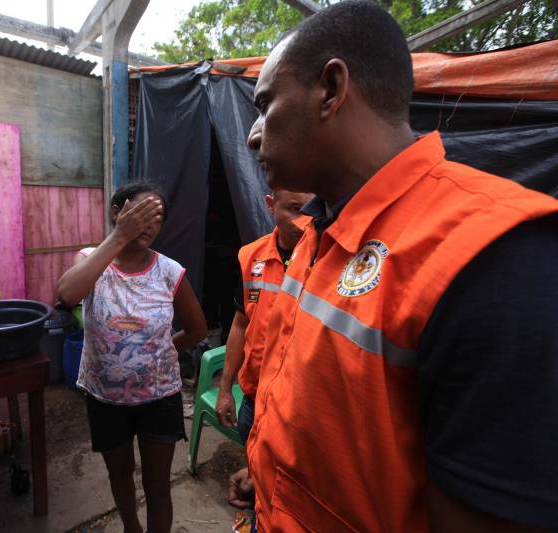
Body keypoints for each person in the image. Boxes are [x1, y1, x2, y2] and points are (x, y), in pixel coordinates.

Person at [230, 1, 558, 531]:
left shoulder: (493, 258)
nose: (252, 133)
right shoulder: (317, 234)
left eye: (266, 104)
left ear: (331, 91)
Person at [56, 180, 206, 533]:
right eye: (141, 213)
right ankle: (130, 528)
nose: (149, 224)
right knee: (119, 475)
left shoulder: (170, 271)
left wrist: (161, 352)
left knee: (157, 488)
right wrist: (118, 238)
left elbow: (197, 330)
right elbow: (65, 294)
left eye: (157, 217)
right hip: (104, 398)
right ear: (117, 211)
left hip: (159, 398)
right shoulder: (92, 261)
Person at [215, 190, 311, 444]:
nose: (304, 221)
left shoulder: (326, 259)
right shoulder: (251, 256)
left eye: (312, 211)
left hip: (297, 404)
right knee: (253, 470)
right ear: (271, 205)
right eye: (294, 209)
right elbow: (240, 323)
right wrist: (225, 390)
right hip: (253, 396)